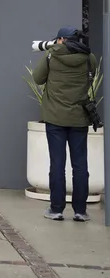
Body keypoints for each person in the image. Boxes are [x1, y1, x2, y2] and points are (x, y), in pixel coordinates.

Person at [32, 26, 97, 222]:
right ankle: (80, 211)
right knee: (80, 165)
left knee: (57, 163)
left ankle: (56, 209)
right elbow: (91, 78)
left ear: (61, 39)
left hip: (55, 118)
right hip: (79, 118)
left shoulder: (51, 56)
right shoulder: (88, 57)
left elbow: (37, 78)